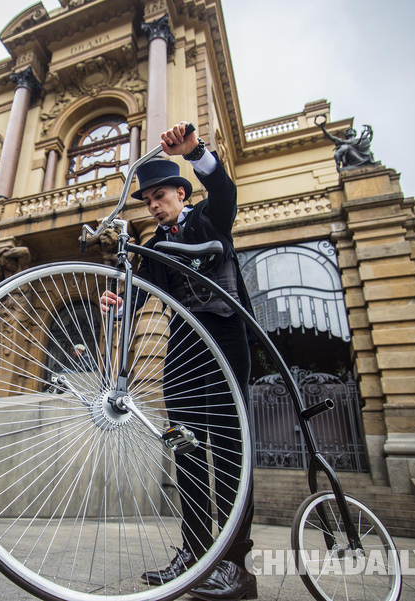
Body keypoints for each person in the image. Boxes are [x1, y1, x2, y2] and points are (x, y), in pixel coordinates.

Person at [100, 122, 255, 601]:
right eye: (146, 199)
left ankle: (235, 565)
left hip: (225, 341)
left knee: (230, 451)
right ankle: (194, 550)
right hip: (185, 349)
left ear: (182, 194)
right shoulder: (153, 247)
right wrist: (118, 302)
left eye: (160, 194)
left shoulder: (210, 218)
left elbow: (224, 188)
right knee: (185, 449)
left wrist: (195, 151)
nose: (152, 204)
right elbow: (140, 291)